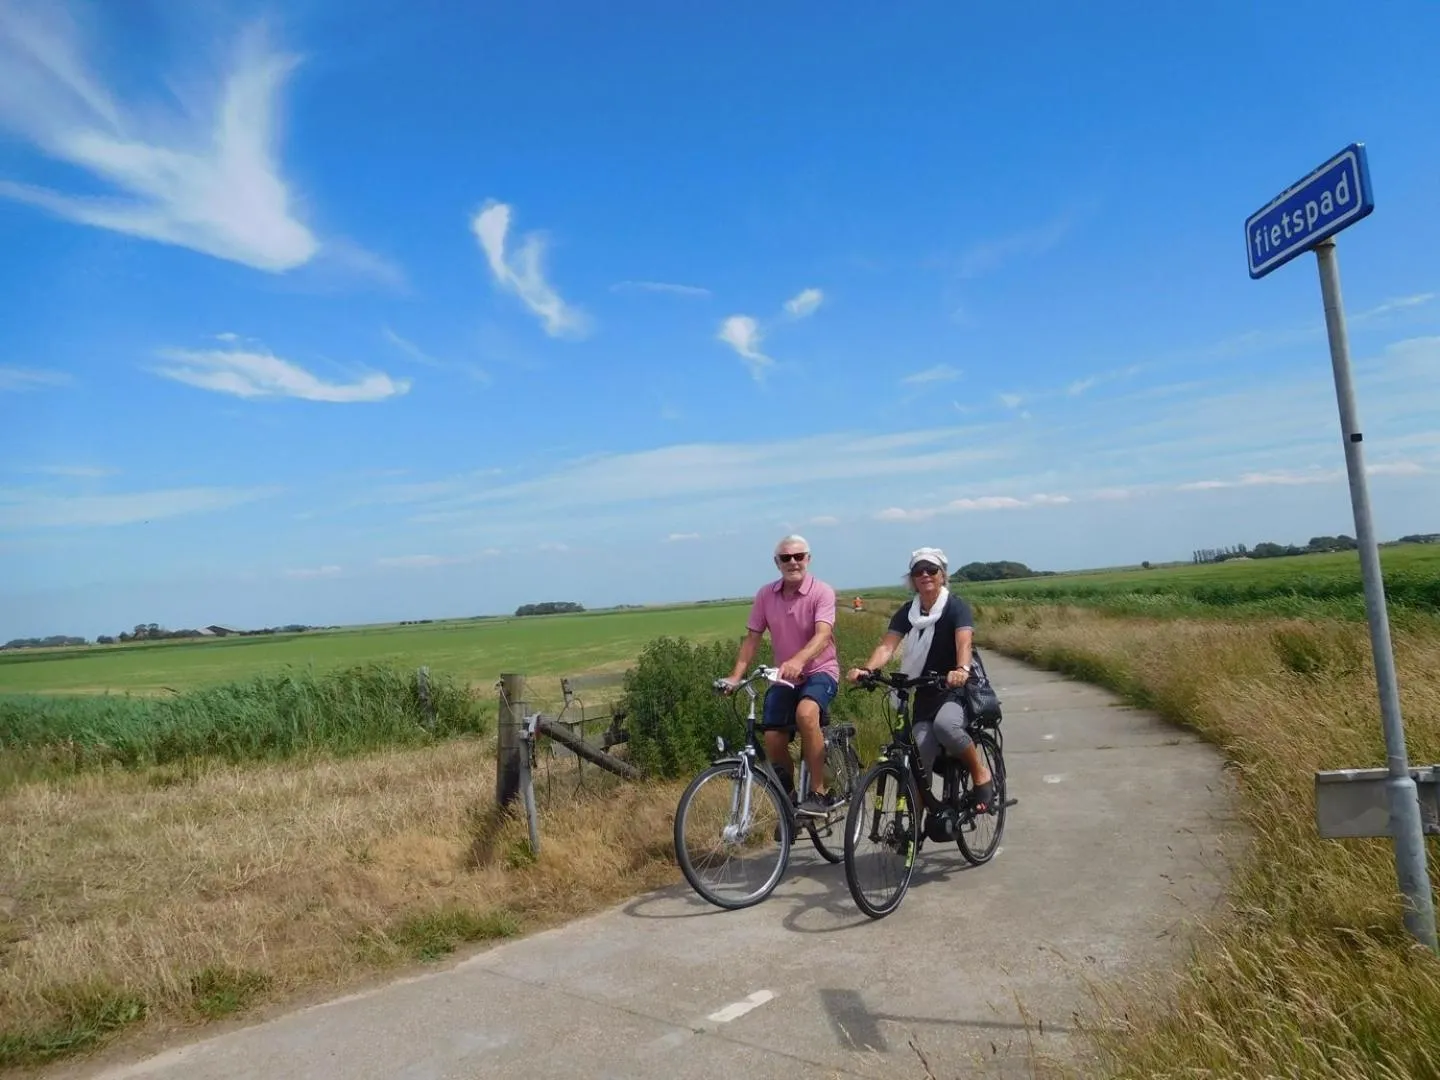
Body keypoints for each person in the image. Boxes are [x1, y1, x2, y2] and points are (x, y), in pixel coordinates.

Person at [845, 546, 995, 811]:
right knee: (919, 750)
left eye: (931, 570)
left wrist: (961, 669)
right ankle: (915, 824)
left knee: (946, 726)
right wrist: (867, 670)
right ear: (912, 578)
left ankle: (979, 772)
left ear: (942, 575)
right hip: (925, 691)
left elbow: (964, 642)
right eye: (918, 571)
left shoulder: (955, 607)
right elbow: (887, 647)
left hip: (953, 689)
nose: (925, 575)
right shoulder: (908, 612)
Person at [723, 534, 840, 818]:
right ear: (777, 563)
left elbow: (823, 634)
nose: (793, 562)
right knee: (773, 736)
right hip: (784, 675)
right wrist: (735, 676)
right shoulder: (766, 594)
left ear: (808, 559)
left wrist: (799, 659)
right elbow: (752, 638)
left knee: (806, 715)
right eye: (786, 558)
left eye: (799, 556)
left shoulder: (822, 592)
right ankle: (790, 805)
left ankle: (818, 793)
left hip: (820, 671)